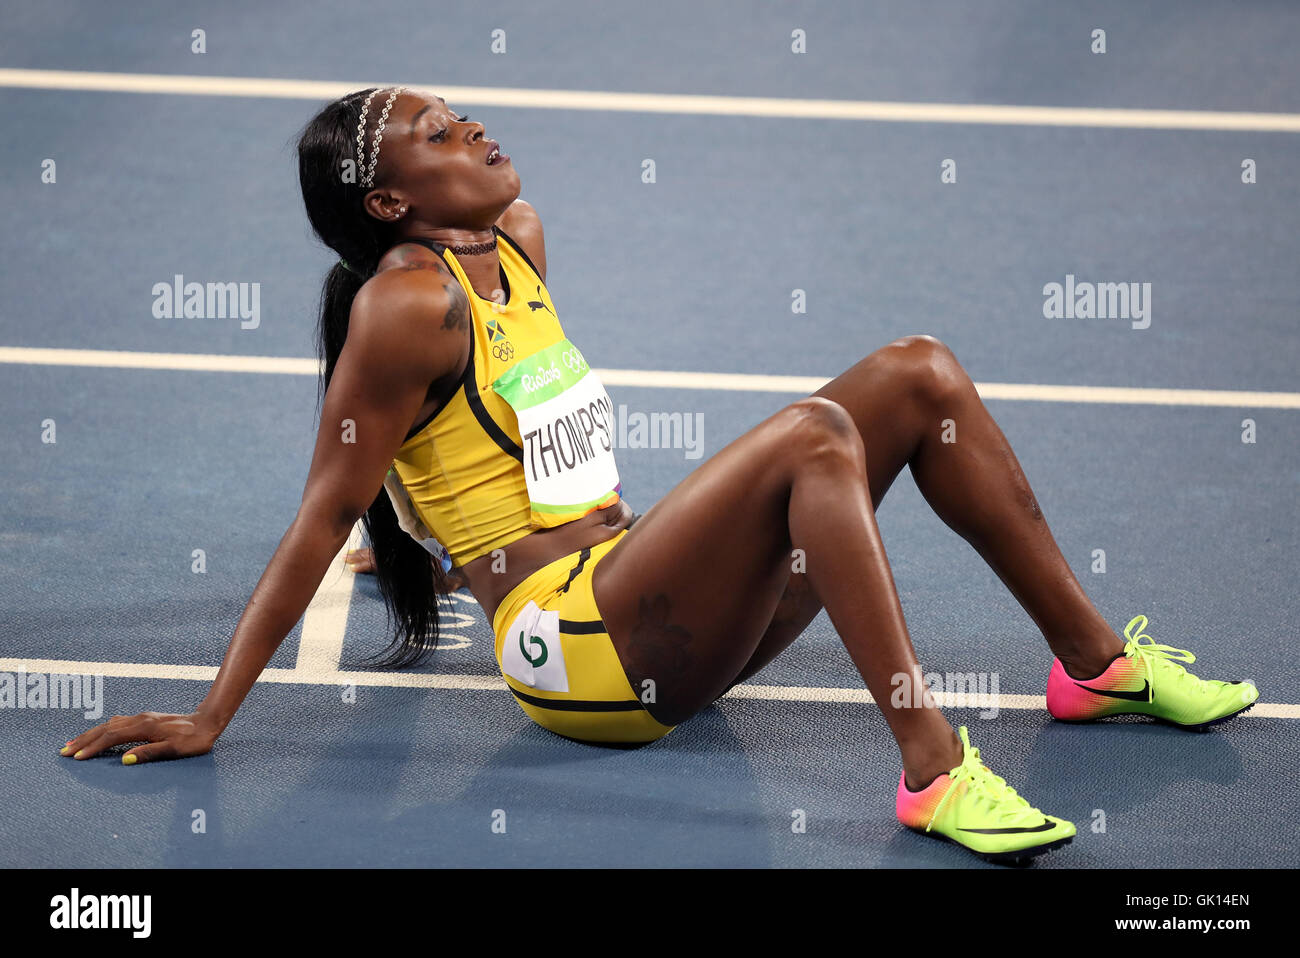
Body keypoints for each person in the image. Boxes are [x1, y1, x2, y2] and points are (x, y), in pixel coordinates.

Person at [61, 87, 1259, 865]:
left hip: (658, 611)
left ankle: (1095, 670)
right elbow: (325, 506)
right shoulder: (401, 304)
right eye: (437, 135)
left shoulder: (513, 244)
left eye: (454, 112)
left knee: (917, 373)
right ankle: (931, 773)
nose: (471, 126)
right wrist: (216, 712)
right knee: (812, 438)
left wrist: (418, 529)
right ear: (390, 204)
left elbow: (495, 435)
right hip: (573, 654)